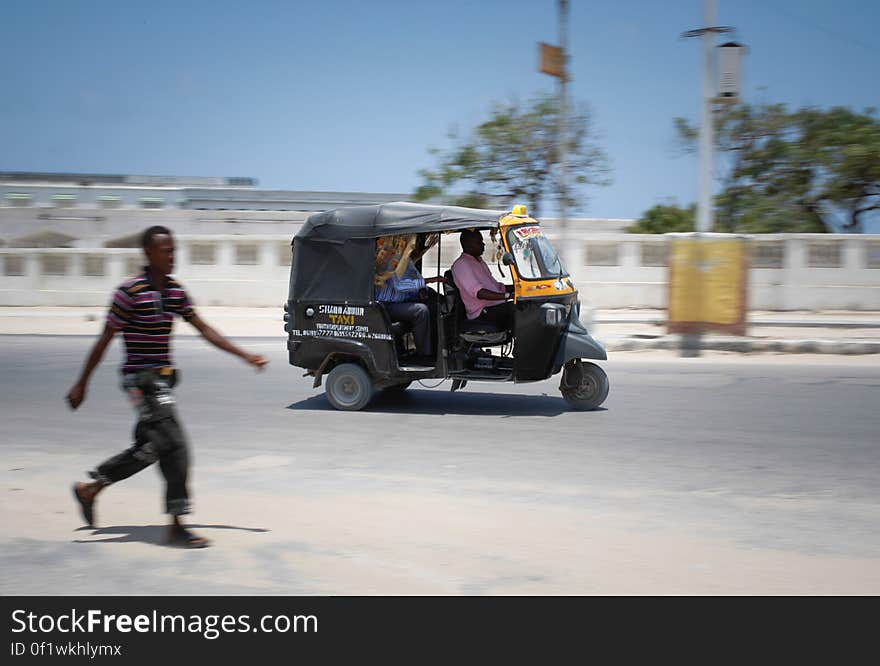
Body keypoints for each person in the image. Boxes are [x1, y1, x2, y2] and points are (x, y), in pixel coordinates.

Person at [67, 225, 268, 548]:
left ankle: (90, 488)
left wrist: (245, 355)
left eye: (174, 250)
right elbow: (104, 340)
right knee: (176, 445)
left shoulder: (174, 291)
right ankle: (176, 524)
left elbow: (203, 328)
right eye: (166, 250)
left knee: (152, 448)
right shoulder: (129, 292)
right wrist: (81, 383)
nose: (173, 256)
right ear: (148, 253)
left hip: (161, 380)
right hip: (140, 380)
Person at [375, 256, 443, 365]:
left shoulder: (407, 261)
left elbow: (415, 278)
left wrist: (422, 290)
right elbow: (400, 286)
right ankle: (424, 355)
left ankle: (437, 349)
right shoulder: (391, 261)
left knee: (435, 304)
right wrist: (429, 280)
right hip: (386, 306)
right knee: (421, 310)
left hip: (401, 302)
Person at [450, 229, 514, 331]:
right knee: (518, 309)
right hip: (481, 312)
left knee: (525, 304)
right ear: (467, 245)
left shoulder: (479, 261)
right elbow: (479, 293)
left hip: (495, 307)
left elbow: (497, 287)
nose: (483, 245)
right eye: (479, 242)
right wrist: (508, 296)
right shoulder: (461, 264)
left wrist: (518, 287)